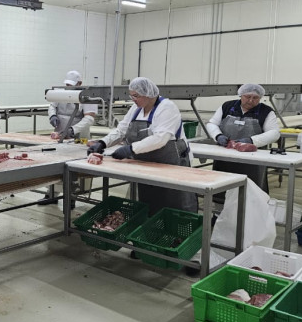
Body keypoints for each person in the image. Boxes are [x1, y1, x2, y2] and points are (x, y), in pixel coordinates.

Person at [87, 77, 197, 215]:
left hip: (171, 164)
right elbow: (121, 130)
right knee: (150, 202)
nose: (133, 99)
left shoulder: (167, 108)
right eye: (131, 96)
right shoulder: (136, 108)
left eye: (136, 96)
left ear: (148, 94)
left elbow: (160, 139)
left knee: (175, 204)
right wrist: (102, 143)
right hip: (146, 164)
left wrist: (131, 149)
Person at [206, 83, 280, 193]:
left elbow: (274, 133)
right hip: (225, 157)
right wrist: (218, 136)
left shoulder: (266, 111)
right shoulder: (227, 106)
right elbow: (212, 123)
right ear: (241, 95)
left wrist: (251, 141)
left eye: (255, 98)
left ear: (260, 98)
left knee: (250, 191)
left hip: (252, 160)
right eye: (248, 97)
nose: (250, 100)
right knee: (222, 187)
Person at [49, 70, 97, 141]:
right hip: (60, 133)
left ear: (80, 83)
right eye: (67, 85)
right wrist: (52, 116)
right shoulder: (60, 93)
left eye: (71, 85)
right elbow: (52, 106)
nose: (69, 87)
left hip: (79, 135)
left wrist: (73, 130)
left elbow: (89, 119)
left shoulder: (87, 96)